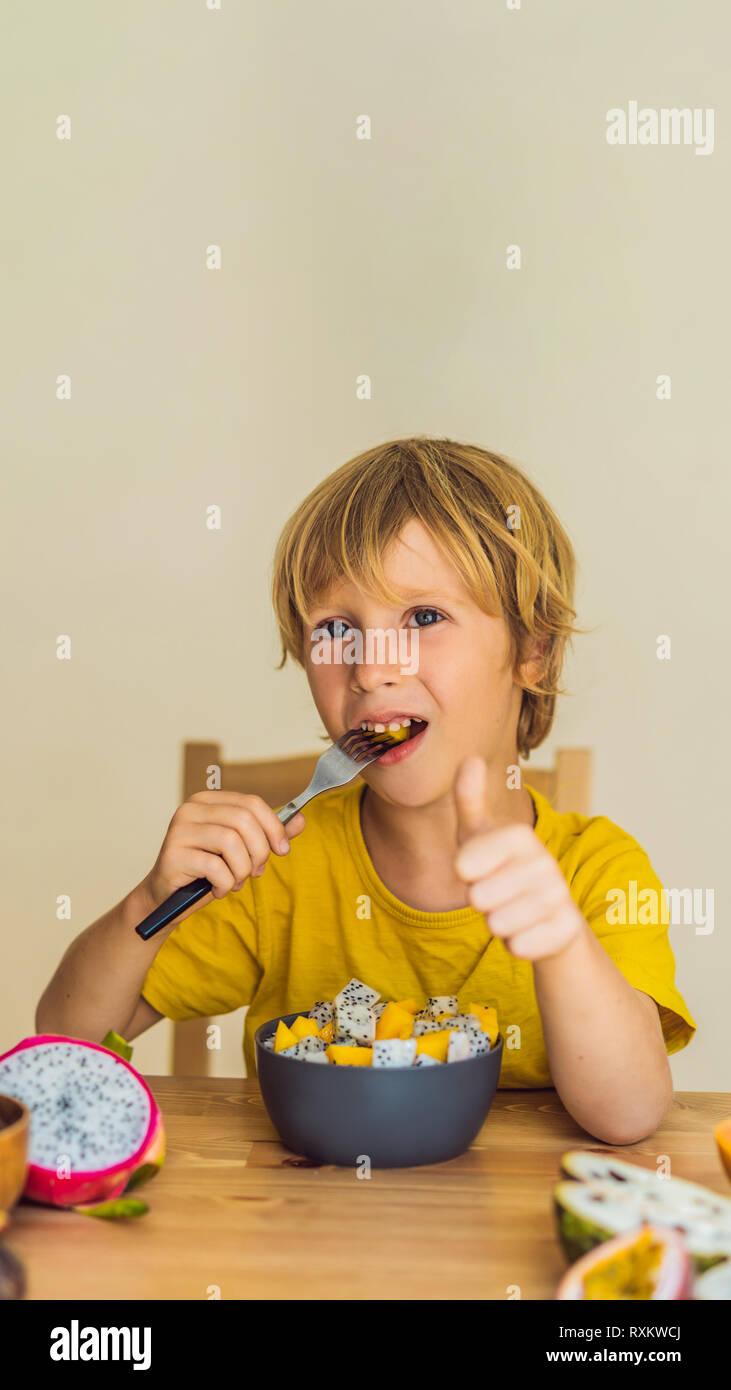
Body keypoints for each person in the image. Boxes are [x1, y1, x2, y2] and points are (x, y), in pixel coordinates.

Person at [37, 437, 696, 1144]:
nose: (371, 669)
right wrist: (149, 902)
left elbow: (627, 1115)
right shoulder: (278, 870)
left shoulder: (596, 871)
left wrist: (560, 941)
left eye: (423, 618)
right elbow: (68, 1045)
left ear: (532, 649)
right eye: (337, 629)